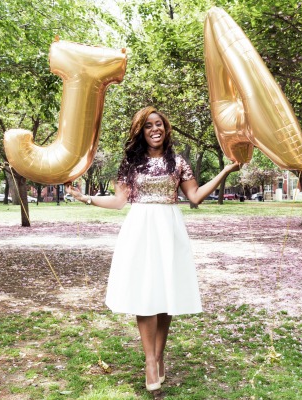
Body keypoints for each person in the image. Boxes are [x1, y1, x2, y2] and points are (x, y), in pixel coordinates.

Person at [66, 106, 240, 391]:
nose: (155, 129)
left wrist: (226, 170)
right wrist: (85, 198)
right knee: (146, 293)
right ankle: (149, 361)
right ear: (141, 132)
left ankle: (160, 357)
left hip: (169, 229)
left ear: (166, 128)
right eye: (148, 126)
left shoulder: (178, 162)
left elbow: (195, 197)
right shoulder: (131, 163)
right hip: (141, 228)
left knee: (165, 295)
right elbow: (119, 201)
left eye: (159, 124)